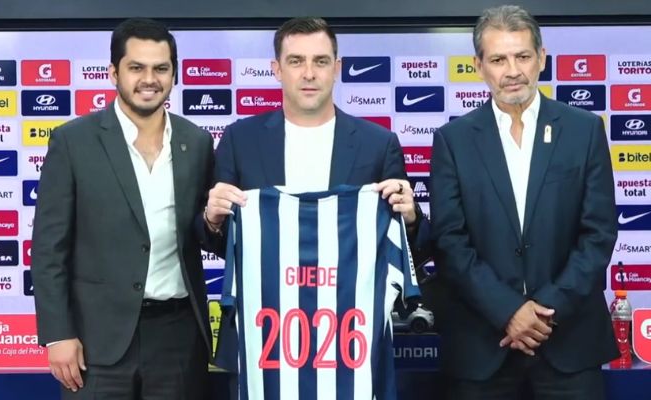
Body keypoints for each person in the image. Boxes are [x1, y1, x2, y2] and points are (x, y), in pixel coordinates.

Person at [430, 5, 618, 399]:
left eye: (522, 56)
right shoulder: (453, 140)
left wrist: (543, 311)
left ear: (542, 58)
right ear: (479, 66)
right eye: (498, 59)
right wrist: (508, 311)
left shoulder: (584, 130)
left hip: (569, 345)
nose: (512, 70)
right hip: (482, 348)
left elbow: (598, 233)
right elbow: (449, 241)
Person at [31, 18, 214, 399]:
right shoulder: (73, 142)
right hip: (96, 340)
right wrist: (58, 334)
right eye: (136, 68)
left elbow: (205, 234)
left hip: (178, 337)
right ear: (114, 73)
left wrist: (215, 221)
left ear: (174, 74)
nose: (149, 79)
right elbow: (49, 249)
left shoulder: (196, 142)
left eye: (161, 68)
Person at [201, 16, 429, 260]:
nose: (309, 74)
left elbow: (411, 250)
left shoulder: (379, 144)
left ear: (336, 68)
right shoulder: (240, 140)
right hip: (267, 285)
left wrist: (411, 220)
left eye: (321, 61)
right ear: (277, 69)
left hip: (350, 285)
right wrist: (212, 221)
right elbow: (218, 243)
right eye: (296, 61)